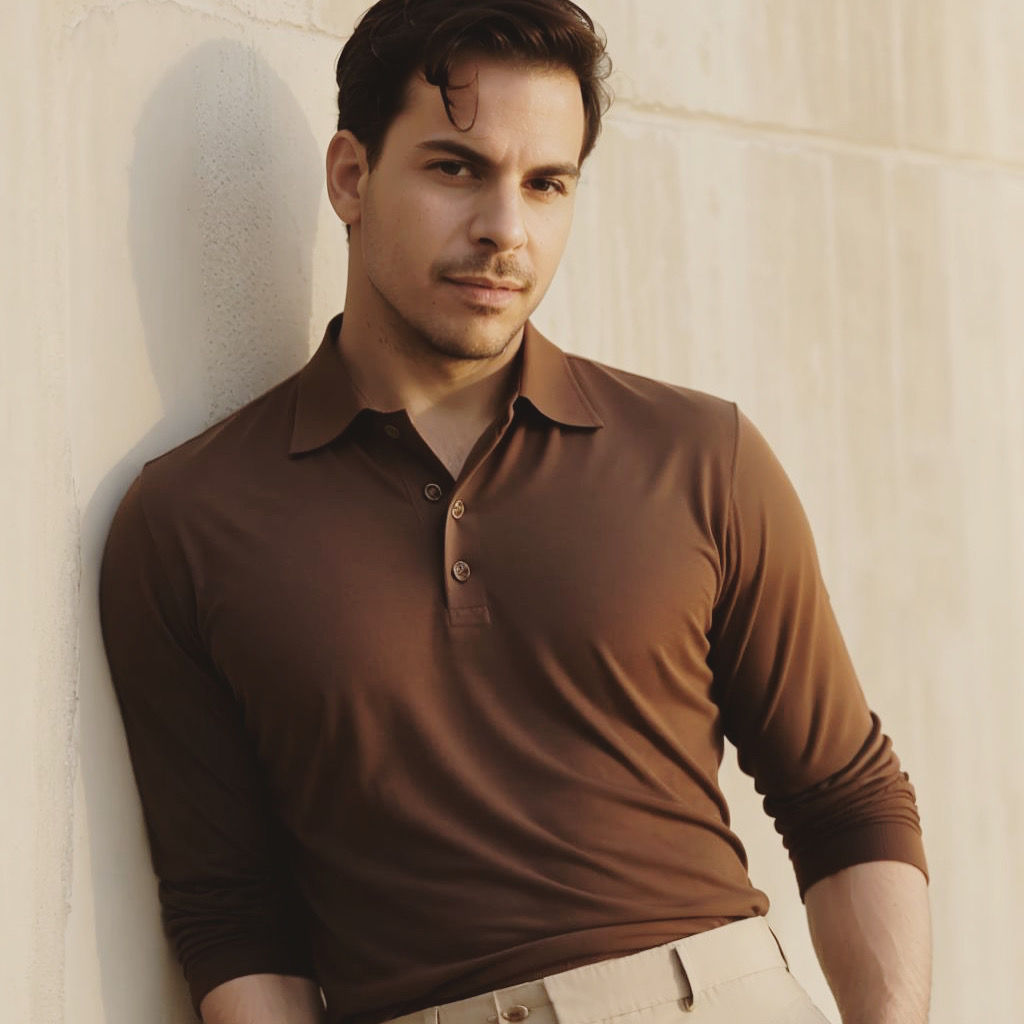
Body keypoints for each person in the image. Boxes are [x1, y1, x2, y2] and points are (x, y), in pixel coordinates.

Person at [99, 2, 931, 1023]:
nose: (506, 228)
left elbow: (844, 798)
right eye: (457, 169)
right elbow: (231, 914)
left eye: (546, 183)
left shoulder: (699, 456)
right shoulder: (187, 521)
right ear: (351, 177)